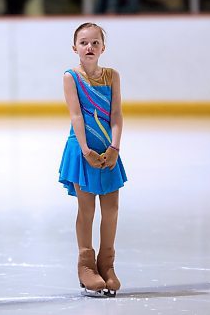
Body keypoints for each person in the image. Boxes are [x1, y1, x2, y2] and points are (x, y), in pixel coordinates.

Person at [58, 22, 127, 297]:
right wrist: (86, 151)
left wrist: (115, 147)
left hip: (109, 151)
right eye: (84, 42)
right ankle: (86, 267)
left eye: (95, 42)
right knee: (87, 211)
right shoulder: (70, 77)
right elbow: (76, 115)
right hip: (82, 150)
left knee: (111, 211)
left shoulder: (112, 76)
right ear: (75, 47)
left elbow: (117, 115)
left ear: (103, 48)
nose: (89, 47)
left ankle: (106, 266)